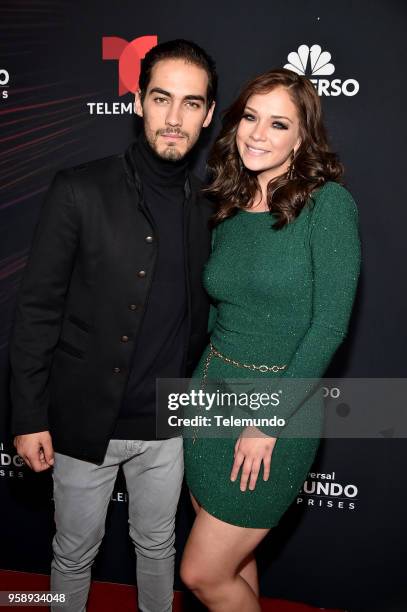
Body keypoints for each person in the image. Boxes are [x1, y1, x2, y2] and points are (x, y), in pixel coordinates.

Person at [9, 39, 216, 612]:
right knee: (74, 553)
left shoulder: (210, 206)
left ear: (208, 114)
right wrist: (28, 416)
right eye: (161, 99)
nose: (174, 119)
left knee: (157, 546)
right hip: (82, 421)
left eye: (190, 103)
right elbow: (37, 309)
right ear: (138, 103)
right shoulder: (79, 189)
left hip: (167, 427)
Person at [180, 68, 361, 611]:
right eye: (250, 118)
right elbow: (220, 312)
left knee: (203, 574)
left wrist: (269, 419)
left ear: (302, 137)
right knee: (234, 561)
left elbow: (328, 326)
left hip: (276, 408)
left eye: (278, 124)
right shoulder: (229, 208)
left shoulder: (327, 207)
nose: (258, 134)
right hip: (209, 396)